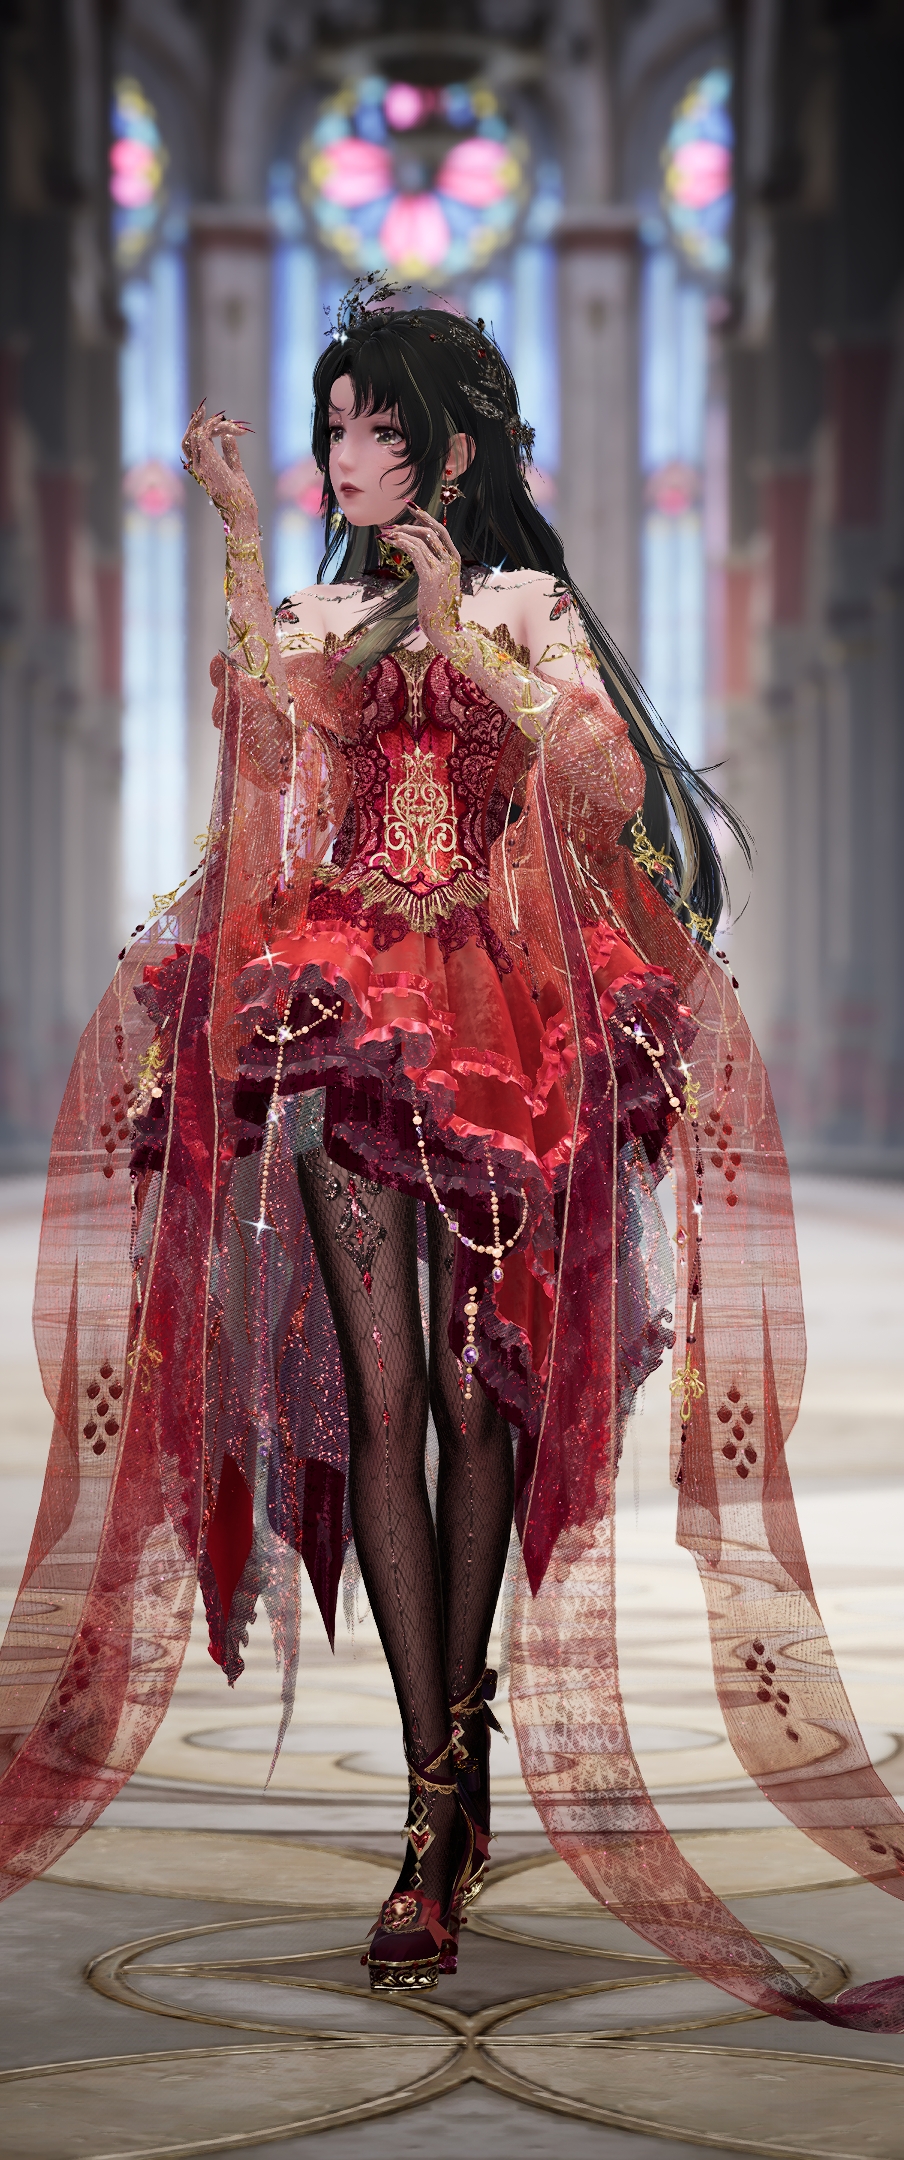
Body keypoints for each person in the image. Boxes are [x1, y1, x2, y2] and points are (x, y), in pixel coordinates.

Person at [2, 285, 903, 2026]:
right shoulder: (318, 608)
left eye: (374, 428)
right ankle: (434, 1803)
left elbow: (600, 792)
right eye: (331, 427)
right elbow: (267, 762)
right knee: (383, 1387)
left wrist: (459, 635)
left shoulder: (525, 606)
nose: (343, 454)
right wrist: (243, 532)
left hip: (509, 1026)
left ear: (454, 451)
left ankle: (458, 1757)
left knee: (482, 1406)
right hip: (343, 1016)